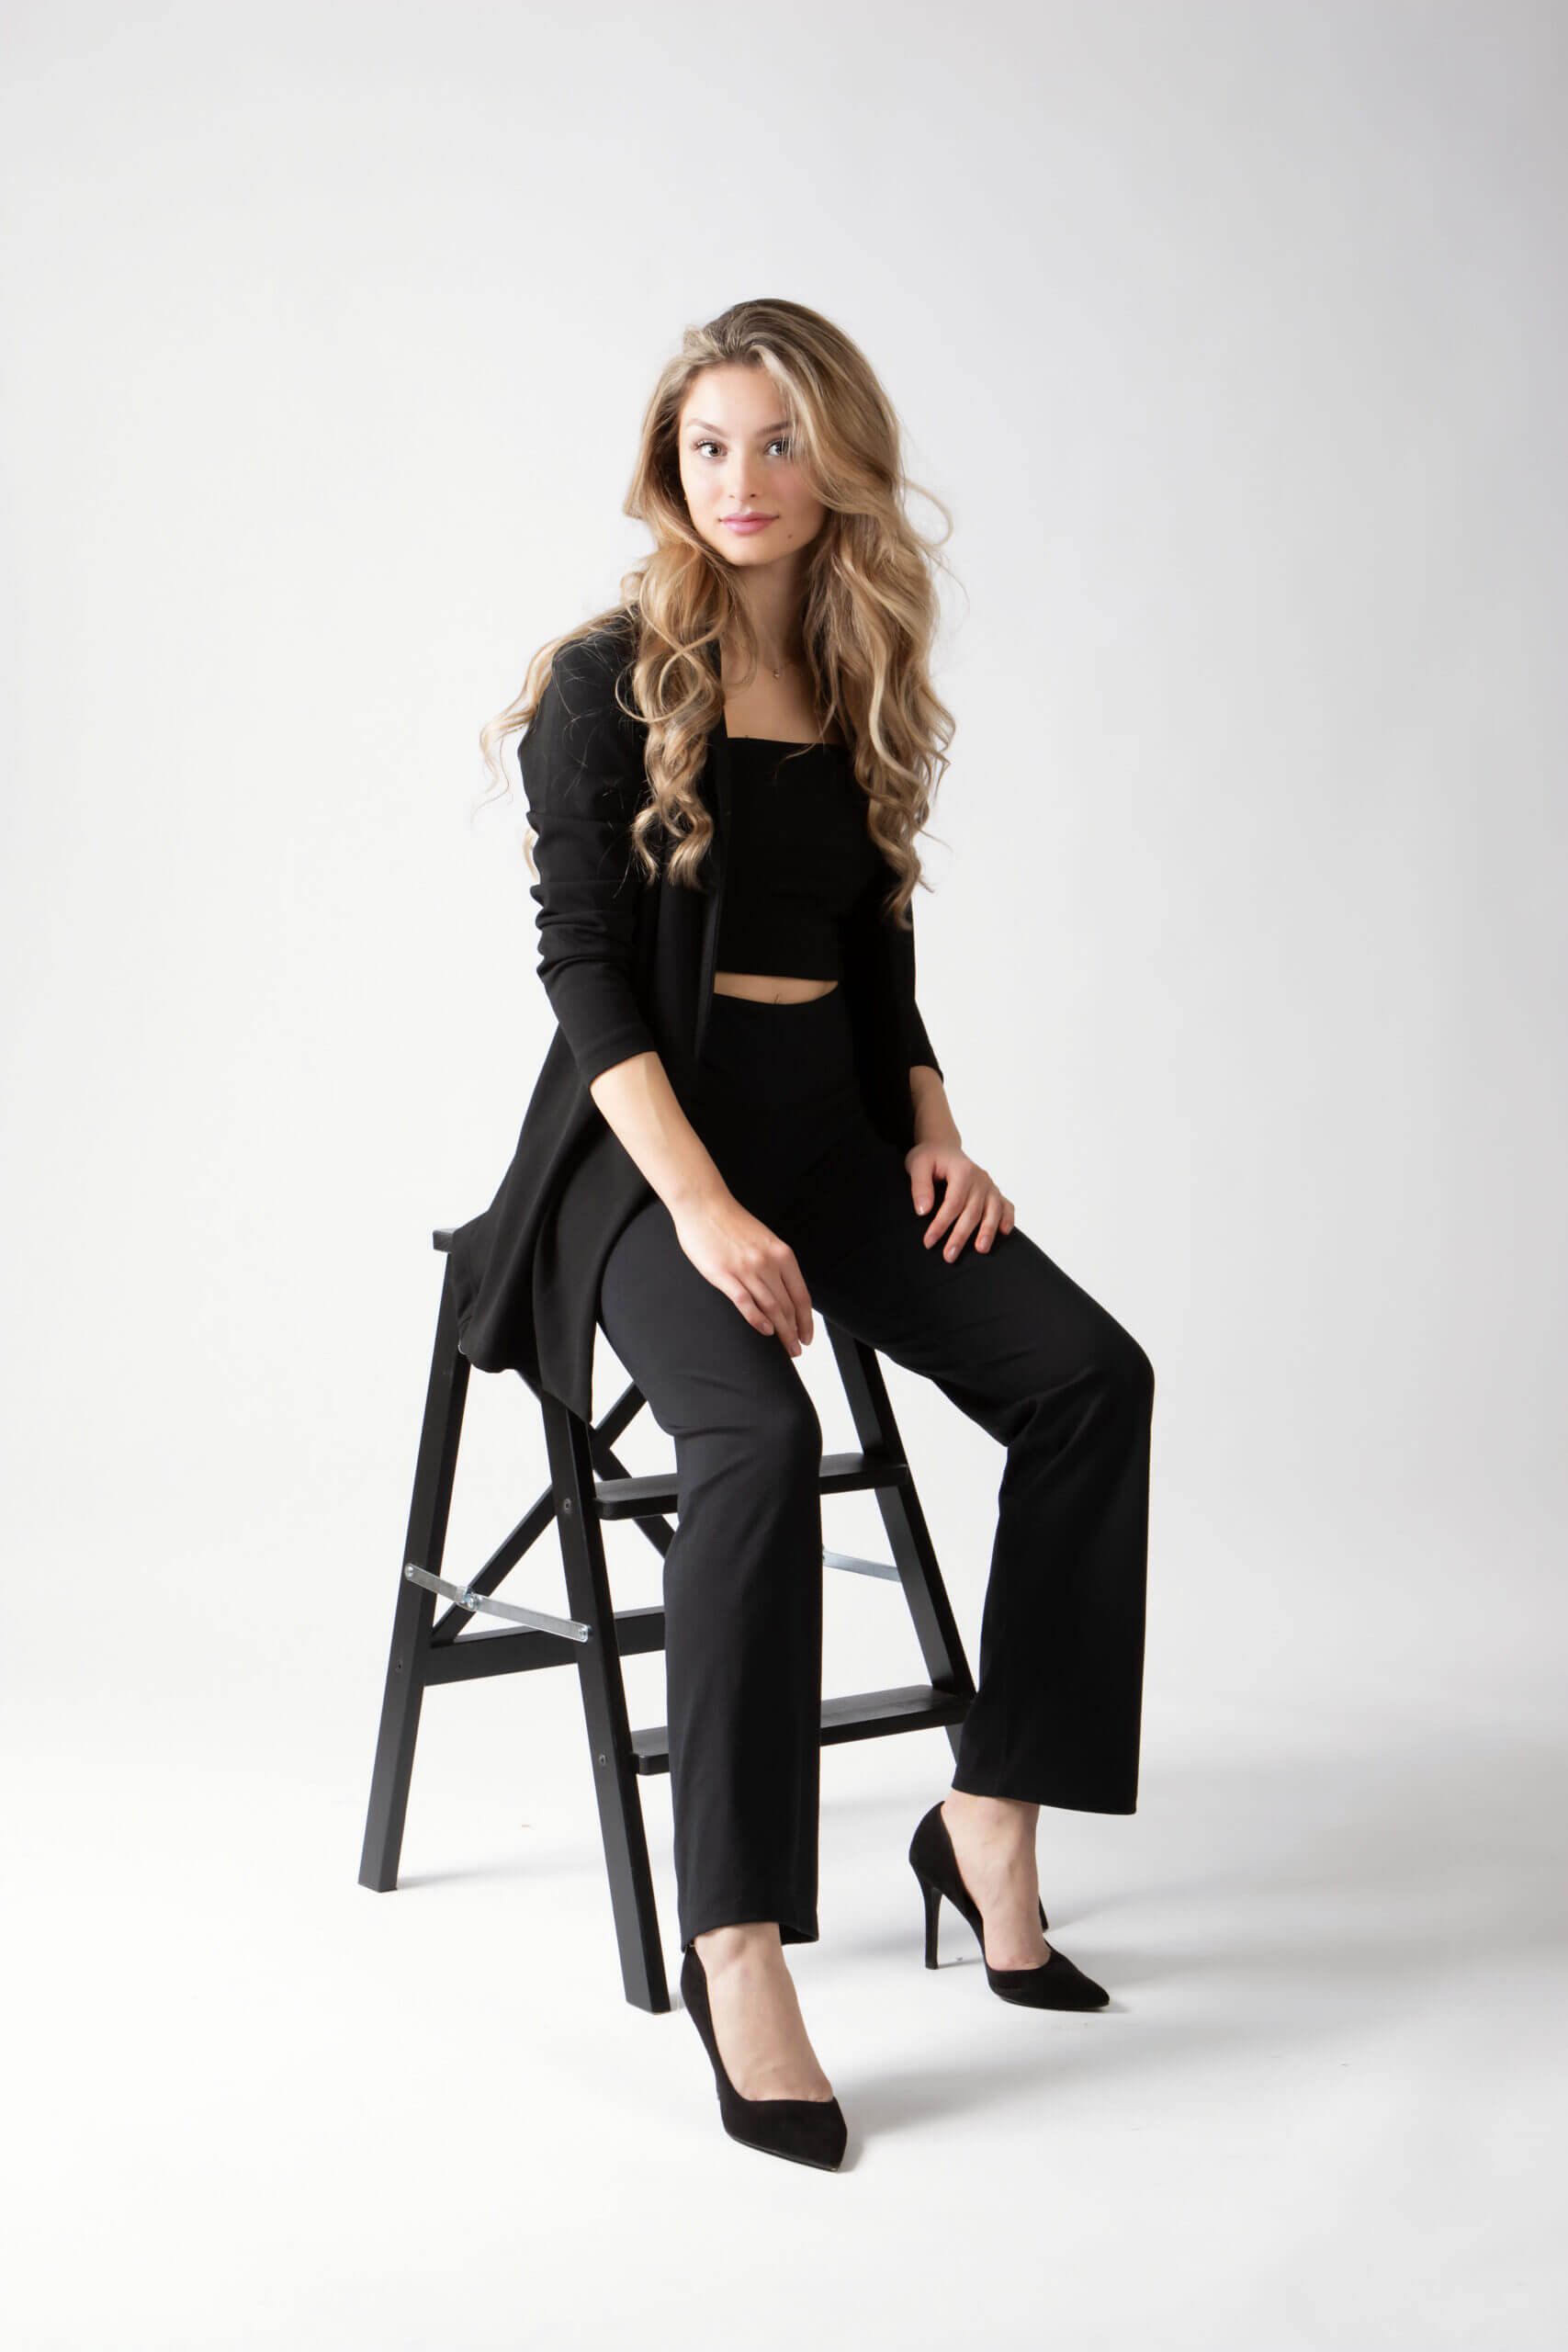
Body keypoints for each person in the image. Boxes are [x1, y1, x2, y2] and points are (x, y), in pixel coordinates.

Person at [457, 298, 1155, 2170]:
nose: (742, 480)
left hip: (836, 1139)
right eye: (708, 446)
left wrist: (935, 1129)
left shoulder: (856, 676)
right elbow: (583, 974)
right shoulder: (608, 678)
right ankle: (739, 1941)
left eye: (776, 443)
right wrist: (698, 1205)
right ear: (667, 465)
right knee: (754, 1439)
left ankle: (989, 1817)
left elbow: (877, 958)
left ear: (833, 459)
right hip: (638, 1163)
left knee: (1090, 1380)